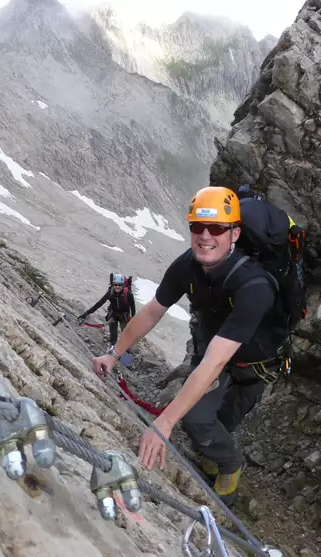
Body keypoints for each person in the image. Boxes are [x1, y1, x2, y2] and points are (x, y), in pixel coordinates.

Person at [91, 186, 289, 504]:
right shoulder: (188, 266)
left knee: (206, 422)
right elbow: (153, 311)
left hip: (253, 366)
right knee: (199, 421)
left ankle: (229, 466)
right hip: (216, 351)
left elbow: (214, 363)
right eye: (198, 227)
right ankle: (215, 460)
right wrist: (114, 354)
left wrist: (164, 423)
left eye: (216, 229)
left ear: (234, 234)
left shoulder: (254, 286)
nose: (205, 236)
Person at [78, 273, 137, 345]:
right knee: (113, 336)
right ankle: (113, 347)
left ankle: (125, 349)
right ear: (113, 284)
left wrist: (133, 322)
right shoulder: (110, 293)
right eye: (115, 285)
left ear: (123, 285)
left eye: (120, 285)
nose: (117, 287)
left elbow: (133, 308)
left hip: (124, 316)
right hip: (113, 315)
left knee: (125, 335)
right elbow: (99, 304)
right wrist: (86, 314)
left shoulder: (128, 294)